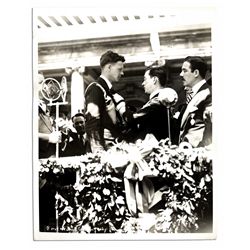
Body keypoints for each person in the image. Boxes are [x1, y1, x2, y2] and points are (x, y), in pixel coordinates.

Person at [84, 50, 128, 153]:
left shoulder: (108, 90)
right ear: (109, 67)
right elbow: (92, 122)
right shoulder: (95, 88)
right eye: (119, 69)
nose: (122, 73)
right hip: (104, 151)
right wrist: (99, 153)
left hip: (113, 147)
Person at [125, 65, 178, 143]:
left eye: (145, 79)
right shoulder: (161, 100)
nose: (143, 83)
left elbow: (132, 119)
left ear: (154, 80)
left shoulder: (159, 101)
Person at [176, 56, 212, 147]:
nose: (181, 74)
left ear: (196, 73)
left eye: (184, 71)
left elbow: (210, 125)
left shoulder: (209, 93)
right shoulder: (192, 94)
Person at [37, 73, 61, 159]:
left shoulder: (46, 105)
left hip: (50, 155)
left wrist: (57, 127)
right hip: (38, 156)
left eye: (44, 83)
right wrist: (49, 137)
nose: (44, 86)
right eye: (40, 83)